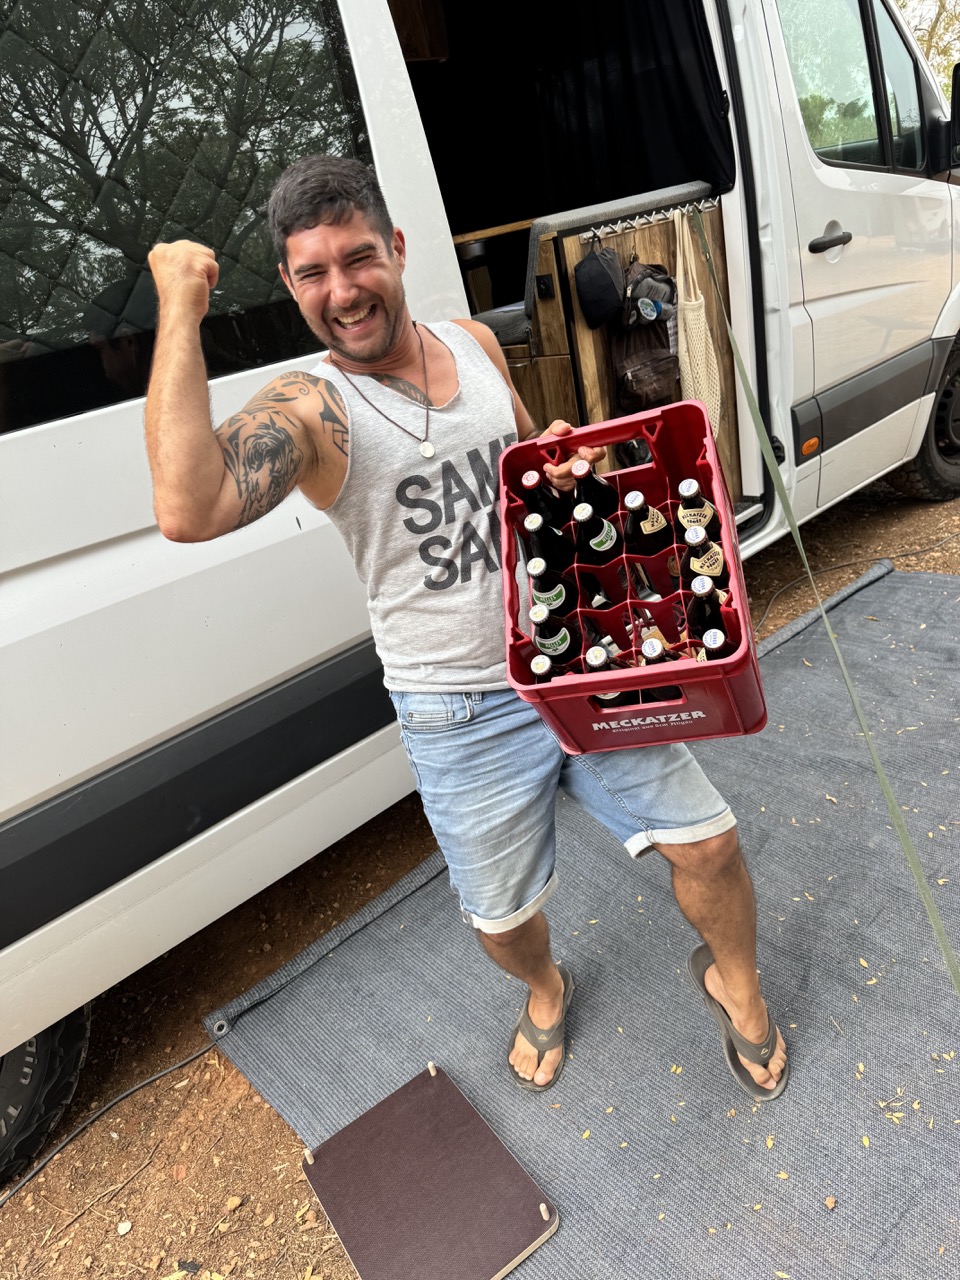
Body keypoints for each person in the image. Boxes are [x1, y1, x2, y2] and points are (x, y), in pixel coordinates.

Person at [144, 154, 788, 1100]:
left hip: (575, 662)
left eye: (358, 258)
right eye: (313, 273)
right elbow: (187, 506)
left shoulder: (476, 345)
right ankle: (545, 985)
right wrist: (178, 308)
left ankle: (741, 988)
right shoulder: (313, 408)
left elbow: (526, 468)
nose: (342, 291)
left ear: (398, 249)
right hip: (457, 711)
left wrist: (556, 469)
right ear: (289, 283)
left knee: (710, 843)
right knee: (502, 921)